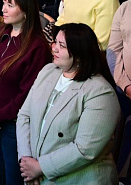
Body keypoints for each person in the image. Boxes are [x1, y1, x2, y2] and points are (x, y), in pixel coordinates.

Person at [16, 22, 120, 184]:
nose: (54, 48)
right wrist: (26, 160)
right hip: (37, 172)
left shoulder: (100, 92)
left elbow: (85, 149)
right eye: (55, 42)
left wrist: (41, 167)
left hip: (79, 178)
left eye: (62, 45)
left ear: (79, 54)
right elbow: (24, 116)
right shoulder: (48, 71)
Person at [0, 0, 51, 185]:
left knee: (13, 178)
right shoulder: (1, 32)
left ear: (25, 11)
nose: (3, 9)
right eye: (3, 3)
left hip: (14, 123)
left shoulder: (37, 47)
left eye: (10, 5)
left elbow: (27, 94)